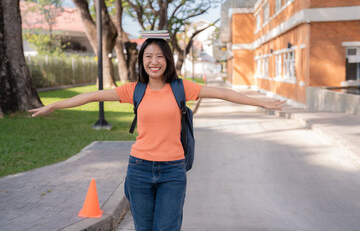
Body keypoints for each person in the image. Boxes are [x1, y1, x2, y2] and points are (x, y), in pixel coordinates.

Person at [29, 38, 285, 231]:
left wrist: (260, 103)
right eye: (148, 56)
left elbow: (224, 93)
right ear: (142, 61)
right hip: (139, 169)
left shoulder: (181, 88)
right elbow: (93, 96)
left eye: (160, 56)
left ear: (168, 61)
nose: (154, 61)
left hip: (173, 171)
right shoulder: (134, 90)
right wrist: (54, 105)